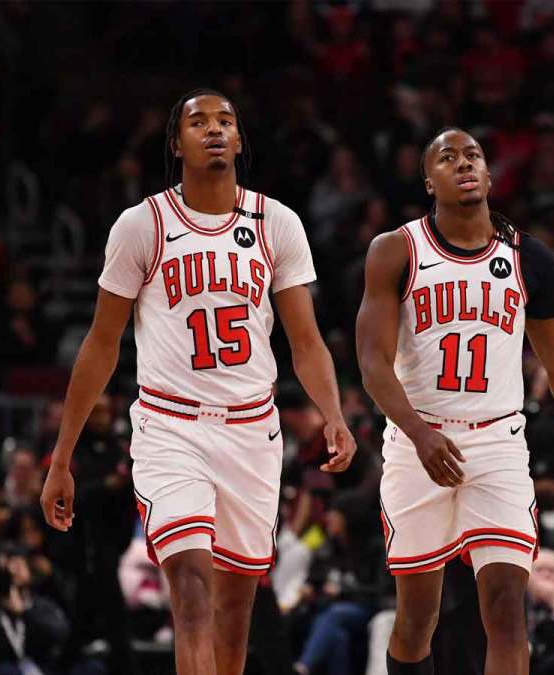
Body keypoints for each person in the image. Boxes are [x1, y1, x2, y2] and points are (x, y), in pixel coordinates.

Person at [38, 88, 356, 675]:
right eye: (199, 121)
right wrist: (62, 457)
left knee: (236, 610)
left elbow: (306, 341)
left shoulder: (275, 222)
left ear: (238, 141)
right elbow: (101, 344)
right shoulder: (143, 225)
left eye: (226, 120)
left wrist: (333, 414)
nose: (214, 129)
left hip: (252, 432)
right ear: (176, 145)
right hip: (169, 426)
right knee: (189, 586)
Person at [356, 127, 554, 675]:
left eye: (472, 155)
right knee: (416, 619)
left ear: (490, 174)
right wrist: (420, 433)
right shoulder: (396, 250)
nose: (463, 164)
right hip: (418, 442)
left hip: (498, 441)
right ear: (430, 180)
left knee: (505, 609)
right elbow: (373, 364)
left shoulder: (528, 256)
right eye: (447, 158)